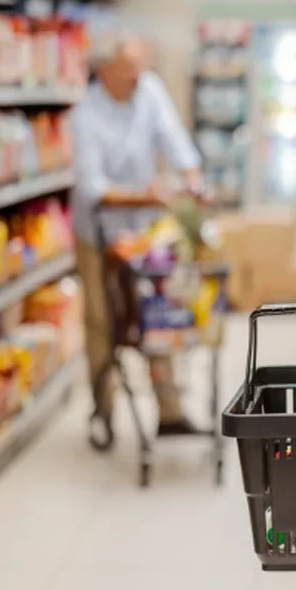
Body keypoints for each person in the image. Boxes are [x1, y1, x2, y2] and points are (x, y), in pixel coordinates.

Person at [71, 33, 205, 439]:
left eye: (140, 67)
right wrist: (145, 195)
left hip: (144, 231)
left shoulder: (147, 90)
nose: (138, 76)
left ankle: (169, 410)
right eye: (130, 69)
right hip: (98, 232)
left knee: (157, 313)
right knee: (101, 320)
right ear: (106, 70)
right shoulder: (85, 115)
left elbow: (173, 136)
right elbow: (94, 187)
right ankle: (102, 410)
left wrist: (192, 177)